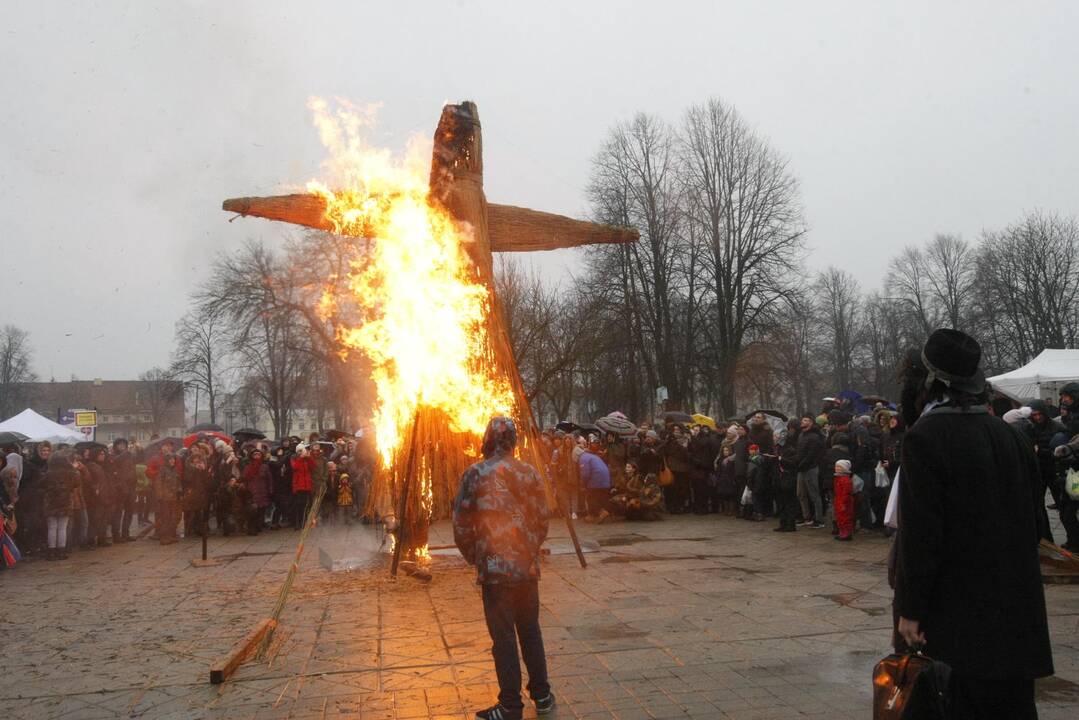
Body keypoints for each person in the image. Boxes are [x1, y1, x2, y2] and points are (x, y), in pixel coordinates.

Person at [894, 329, 1053, 718]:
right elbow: (1035, 523)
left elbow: (922, 537)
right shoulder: (1009, 436)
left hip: (956, 621)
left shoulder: (925, 438)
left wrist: (911, 608)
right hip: (1015, 617)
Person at [452, 417, 554, 720]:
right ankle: (543, 695)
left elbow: (461, 522)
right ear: (513, 440)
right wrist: (530, 549)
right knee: (530, 631)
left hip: (495, 571)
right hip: (525, 569)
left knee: (504, 637)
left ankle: (510, 705)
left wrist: (476, 555)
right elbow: (543, 518)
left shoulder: (474, 473)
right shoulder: (529, 472)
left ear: (488, 439)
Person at [794, 414, 825, 528]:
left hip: (811, 468)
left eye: (805, 420)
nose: (802, 422)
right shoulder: (801, 435)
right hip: (801, 468)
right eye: (802, 420)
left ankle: (819, 519)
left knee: (814, 494)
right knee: (800, 494)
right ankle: (806, 517)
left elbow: (812, 454)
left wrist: (802, 464)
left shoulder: (815, 436)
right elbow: (799, 452)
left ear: (811, 423)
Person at [577, 444, 612, 522]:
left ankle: (600, 512)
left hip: (596, 478)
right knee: (601, 497)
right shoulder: (592, 456)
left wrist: (583, 484)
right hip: (605, 479)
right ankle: (592, 515)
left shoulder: (583, 458)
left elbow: (585, 473)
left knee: (591, 497)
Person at [832, 459, 854, 541]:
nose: (836, 468)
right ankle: (842, 532)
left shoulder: (845, 480)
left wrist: (843, 502)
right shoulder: (838, 478)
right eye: (836, 467)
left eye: (839, 467)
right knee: (840, 517)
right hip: (839, 500)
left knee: (846, 518)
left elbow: (847, 493)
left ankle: (846, 533)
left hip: (844, 502)